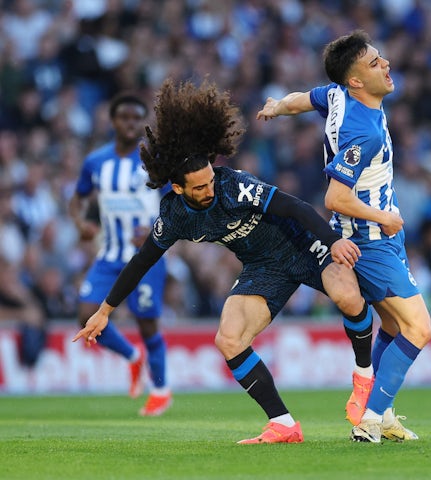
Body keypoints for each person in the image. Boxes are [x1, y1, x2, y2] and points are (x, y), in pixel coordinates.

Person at [73, 78, 373, 444]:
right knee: (228, 339)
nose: (209, 190)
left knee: (347, 296)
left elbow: (295, 207)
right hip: (263, 268)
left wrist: (332, 241)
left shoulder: (234, 186)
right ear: (178, 188)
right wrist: (104, 311)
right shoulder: (174, 216)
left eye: (210, 180)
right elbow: (141, 262)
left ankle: (363, 375)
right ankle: (283, 424)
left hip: (305, 246)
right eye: (199, 187)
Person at [257, 30, 431, 443]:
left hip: (379, 235)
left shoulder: (337, 95)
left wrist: (278, 107)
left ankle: (380, 412)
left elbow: (307, 97)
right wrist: (384, 218)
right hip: (370, 239)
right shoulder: (363, 131)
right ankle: (370, 419)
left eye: (381, 58)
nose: (386, 65)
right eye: (374, 64)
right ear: (355, 80)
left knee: (391, 323)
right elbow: (335, 197)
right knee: (419, 328)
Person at [69, 92, 171, 416]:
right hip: (109, 254)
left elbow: (177, 205)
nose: (130, 123)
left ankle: (160, 391)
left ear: (142, 123)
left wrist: (156, 227)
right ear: (113, 121)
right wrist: (80, 222)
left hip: (145, 257)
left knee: (147, 325)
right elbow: (77, 199)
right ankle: (132, 357)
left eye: (136, 117)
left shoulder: (154, 161)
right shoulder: (96, 161)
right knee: (86, 314)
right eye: (124, 117)